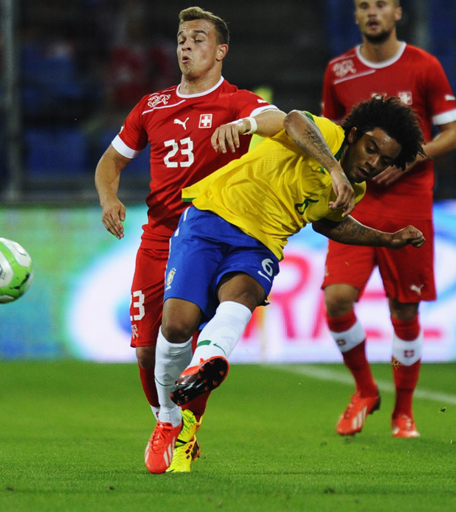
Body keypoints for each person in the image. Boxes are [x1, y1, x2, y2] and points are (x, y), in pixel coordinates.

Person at [144, 96, 426, 474]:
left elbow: (328, 222)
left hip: (260, 245)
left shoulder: (352, 191)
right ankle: (168, 419)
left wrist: (385, 239)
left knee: (244, 293)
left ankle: (207, 360)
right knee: (175, 326)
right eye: (371, 149)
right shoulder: (328, 136)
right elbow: (293, 119)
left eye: (385, 161)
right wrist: (334, 168)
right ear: (355, 135)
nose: (374, 163)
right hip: (210, 218)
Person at [95, 6, 282, 472]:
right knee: (145, 348)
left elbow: (279, 120)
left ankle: (182, 433)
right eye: (181, 38)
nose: (185, 45)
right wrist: (108, 199)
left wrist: (245, 126)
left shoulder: (237, 102)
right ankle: (165, 418)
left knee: (190, 341)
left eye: (198, 38)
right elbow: (110, 162)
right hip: (159, 236)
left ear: (220, 51)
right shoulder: (151, 106)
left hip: (215, 237)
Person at [320, 0, 456, 439]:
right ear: (356, 13)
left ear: (397, 12)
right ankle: (365, 390)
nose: (372, 13)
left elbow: (452, 134)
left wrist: (407, 162)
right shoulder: (339, 71)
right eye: (364, 6)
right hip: (355, 203)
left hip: (408, 202)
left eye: (381, 4)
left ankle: (404, 412)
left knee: (404, 310)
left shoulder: (424, 66)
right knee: (337, 299)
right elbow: (329, 136)